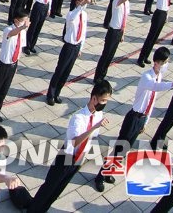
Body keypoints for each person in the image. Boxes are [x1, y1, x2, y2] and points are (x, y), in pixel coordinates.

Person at [95, 47, 173, 191]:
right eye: (165, 62)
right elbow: (156, 87)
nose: (167, 64)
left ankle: (109, 171)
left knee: (125, 150)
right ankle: (100, 176)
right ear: (158, 62)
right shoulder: (147, 77)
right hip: (133, 118)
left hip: (141, 118)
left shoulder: (158, 76)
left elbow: (152, 101)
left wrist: (146, 121)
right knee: (119, 148)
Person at [22, 79, 113, 212]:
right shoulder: (78, 118)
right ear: (94, 98)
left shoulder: (99, 115)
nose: (105, 104)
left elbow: (91, 139)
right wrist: (93, 128)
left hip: (78, 159)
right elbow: (75, 141)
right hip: (67, 156)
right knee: (49, 187)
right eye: (103, 100)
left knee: (58, 190)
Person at [0, 8, 30, 125]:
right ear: (16, 20)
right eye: (24, 20)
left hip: (13, 65)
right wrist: (23, 27)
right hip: (3, 65)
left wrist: (17, 63)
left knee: (4, 91)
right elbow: (12, 34)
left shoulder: (23, 32)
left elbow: (19, 48)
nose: (26, 23)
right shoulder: (8, 29)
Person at [46, 0, 90, 106]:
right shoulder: (72, 14)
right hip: (69, 46)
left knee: (66, 72)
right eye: (82, 0)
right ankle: (51, 94)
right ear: (77, 1)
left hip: (77, 46)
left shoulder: (84, 15)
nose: (84, 3)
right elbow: (73, 18)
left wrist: (81, 48)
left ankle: (57, 93)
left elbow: (84, 32)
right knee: (60, 70)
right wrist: (80, 6)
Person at [94, 0, 135, 82]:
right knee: (106, 55)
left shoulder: (127, 3)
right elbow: (122, 0)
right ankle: (97, 77)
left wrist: (123, 33)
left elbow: (125, 18)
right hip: (112, 31)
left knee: (111, 56)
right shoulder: (116, 1)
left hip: (119, 31)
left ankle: (103, 75)